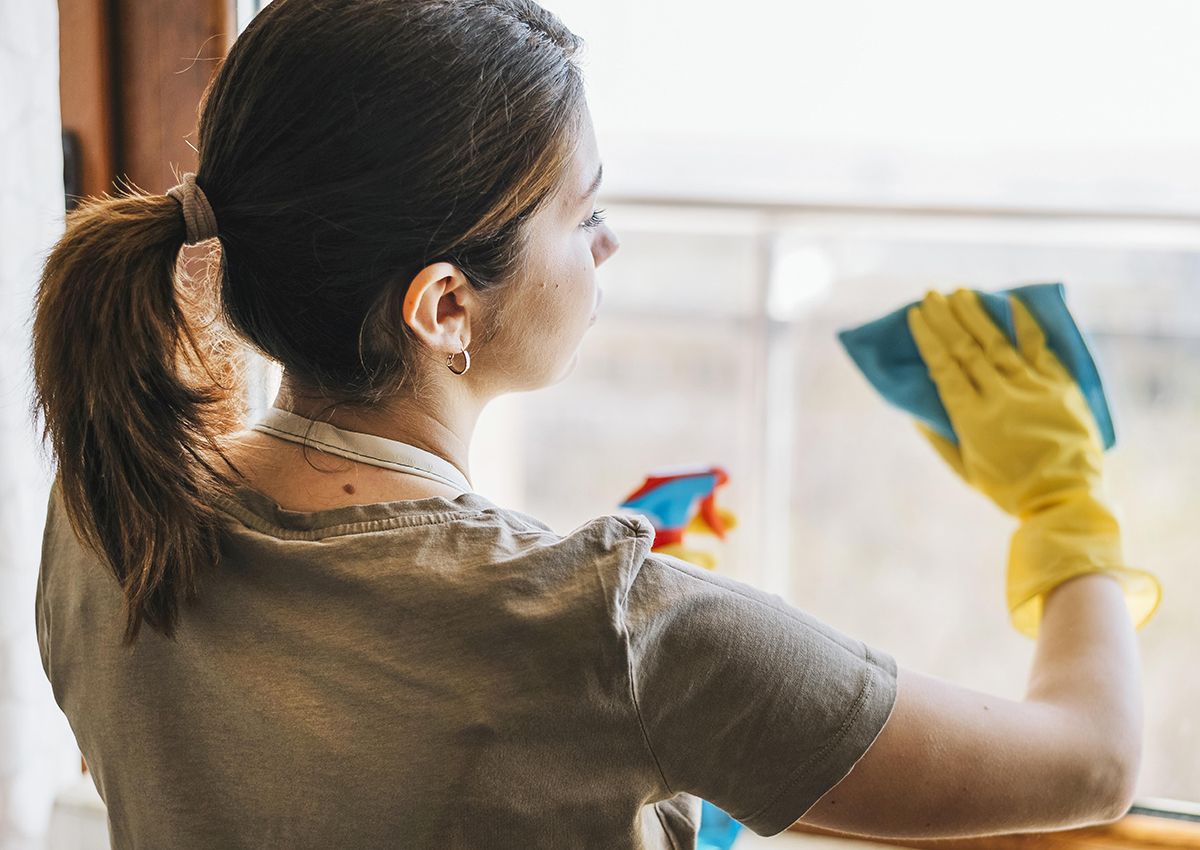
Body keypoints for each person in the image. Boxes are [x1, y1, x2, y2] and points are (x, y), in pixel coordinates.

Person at [30, 1, 1146, 847]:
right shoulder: (612, 635)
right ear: (445, 307)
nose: (606, 247)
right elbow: (1092, 762)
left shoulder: (105, 510)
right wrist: (1062, 499)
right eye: (586, 211)